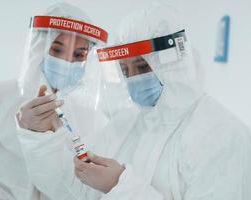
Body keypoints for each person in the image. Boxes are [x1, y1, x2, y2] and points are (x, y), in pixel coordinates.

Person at [74, 3, 251, 200]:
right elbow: (70, 191)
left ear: (174, 63)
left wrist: (119, 187)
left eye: (142, 67)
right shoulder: (129, 126)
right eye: (125, 71)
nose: (133, 79)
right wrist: (40, 135)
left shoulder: (220, 136)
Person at [0, 2, 108, 199]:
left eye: (79, 55)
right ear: (39, 46)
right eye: (57, 50)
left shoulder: (91, 118)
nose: (67, 62)